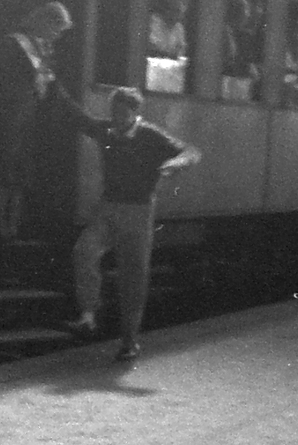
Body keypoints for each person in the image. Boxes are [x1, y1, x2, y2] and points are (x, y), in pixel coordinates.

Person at [67, 86, 201, 361]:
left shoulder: (150, 136)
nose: (115, 119)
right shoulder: (107, 131)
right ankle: (89, 313)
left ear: (134, 113)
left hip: (139, 213)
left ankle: (129, 342)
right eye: (113, 112)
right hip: (108, 209)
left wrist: (176, 163)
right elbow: (80, 118)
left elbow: (191, 151)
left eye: (121, 113)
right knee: (84, 251)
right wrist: (51, 82)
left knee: (133, 276)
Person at [0, 0, 82, 240]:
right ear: (44, 22)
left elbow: (48, 85)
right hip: (9, 113)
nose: (57, 36)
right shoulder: (13, 43)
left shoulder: (44, 50)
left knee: (20, 172)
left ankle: (13, 224)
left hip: (28, 116)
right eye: (56, 29)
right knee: (5, 169)